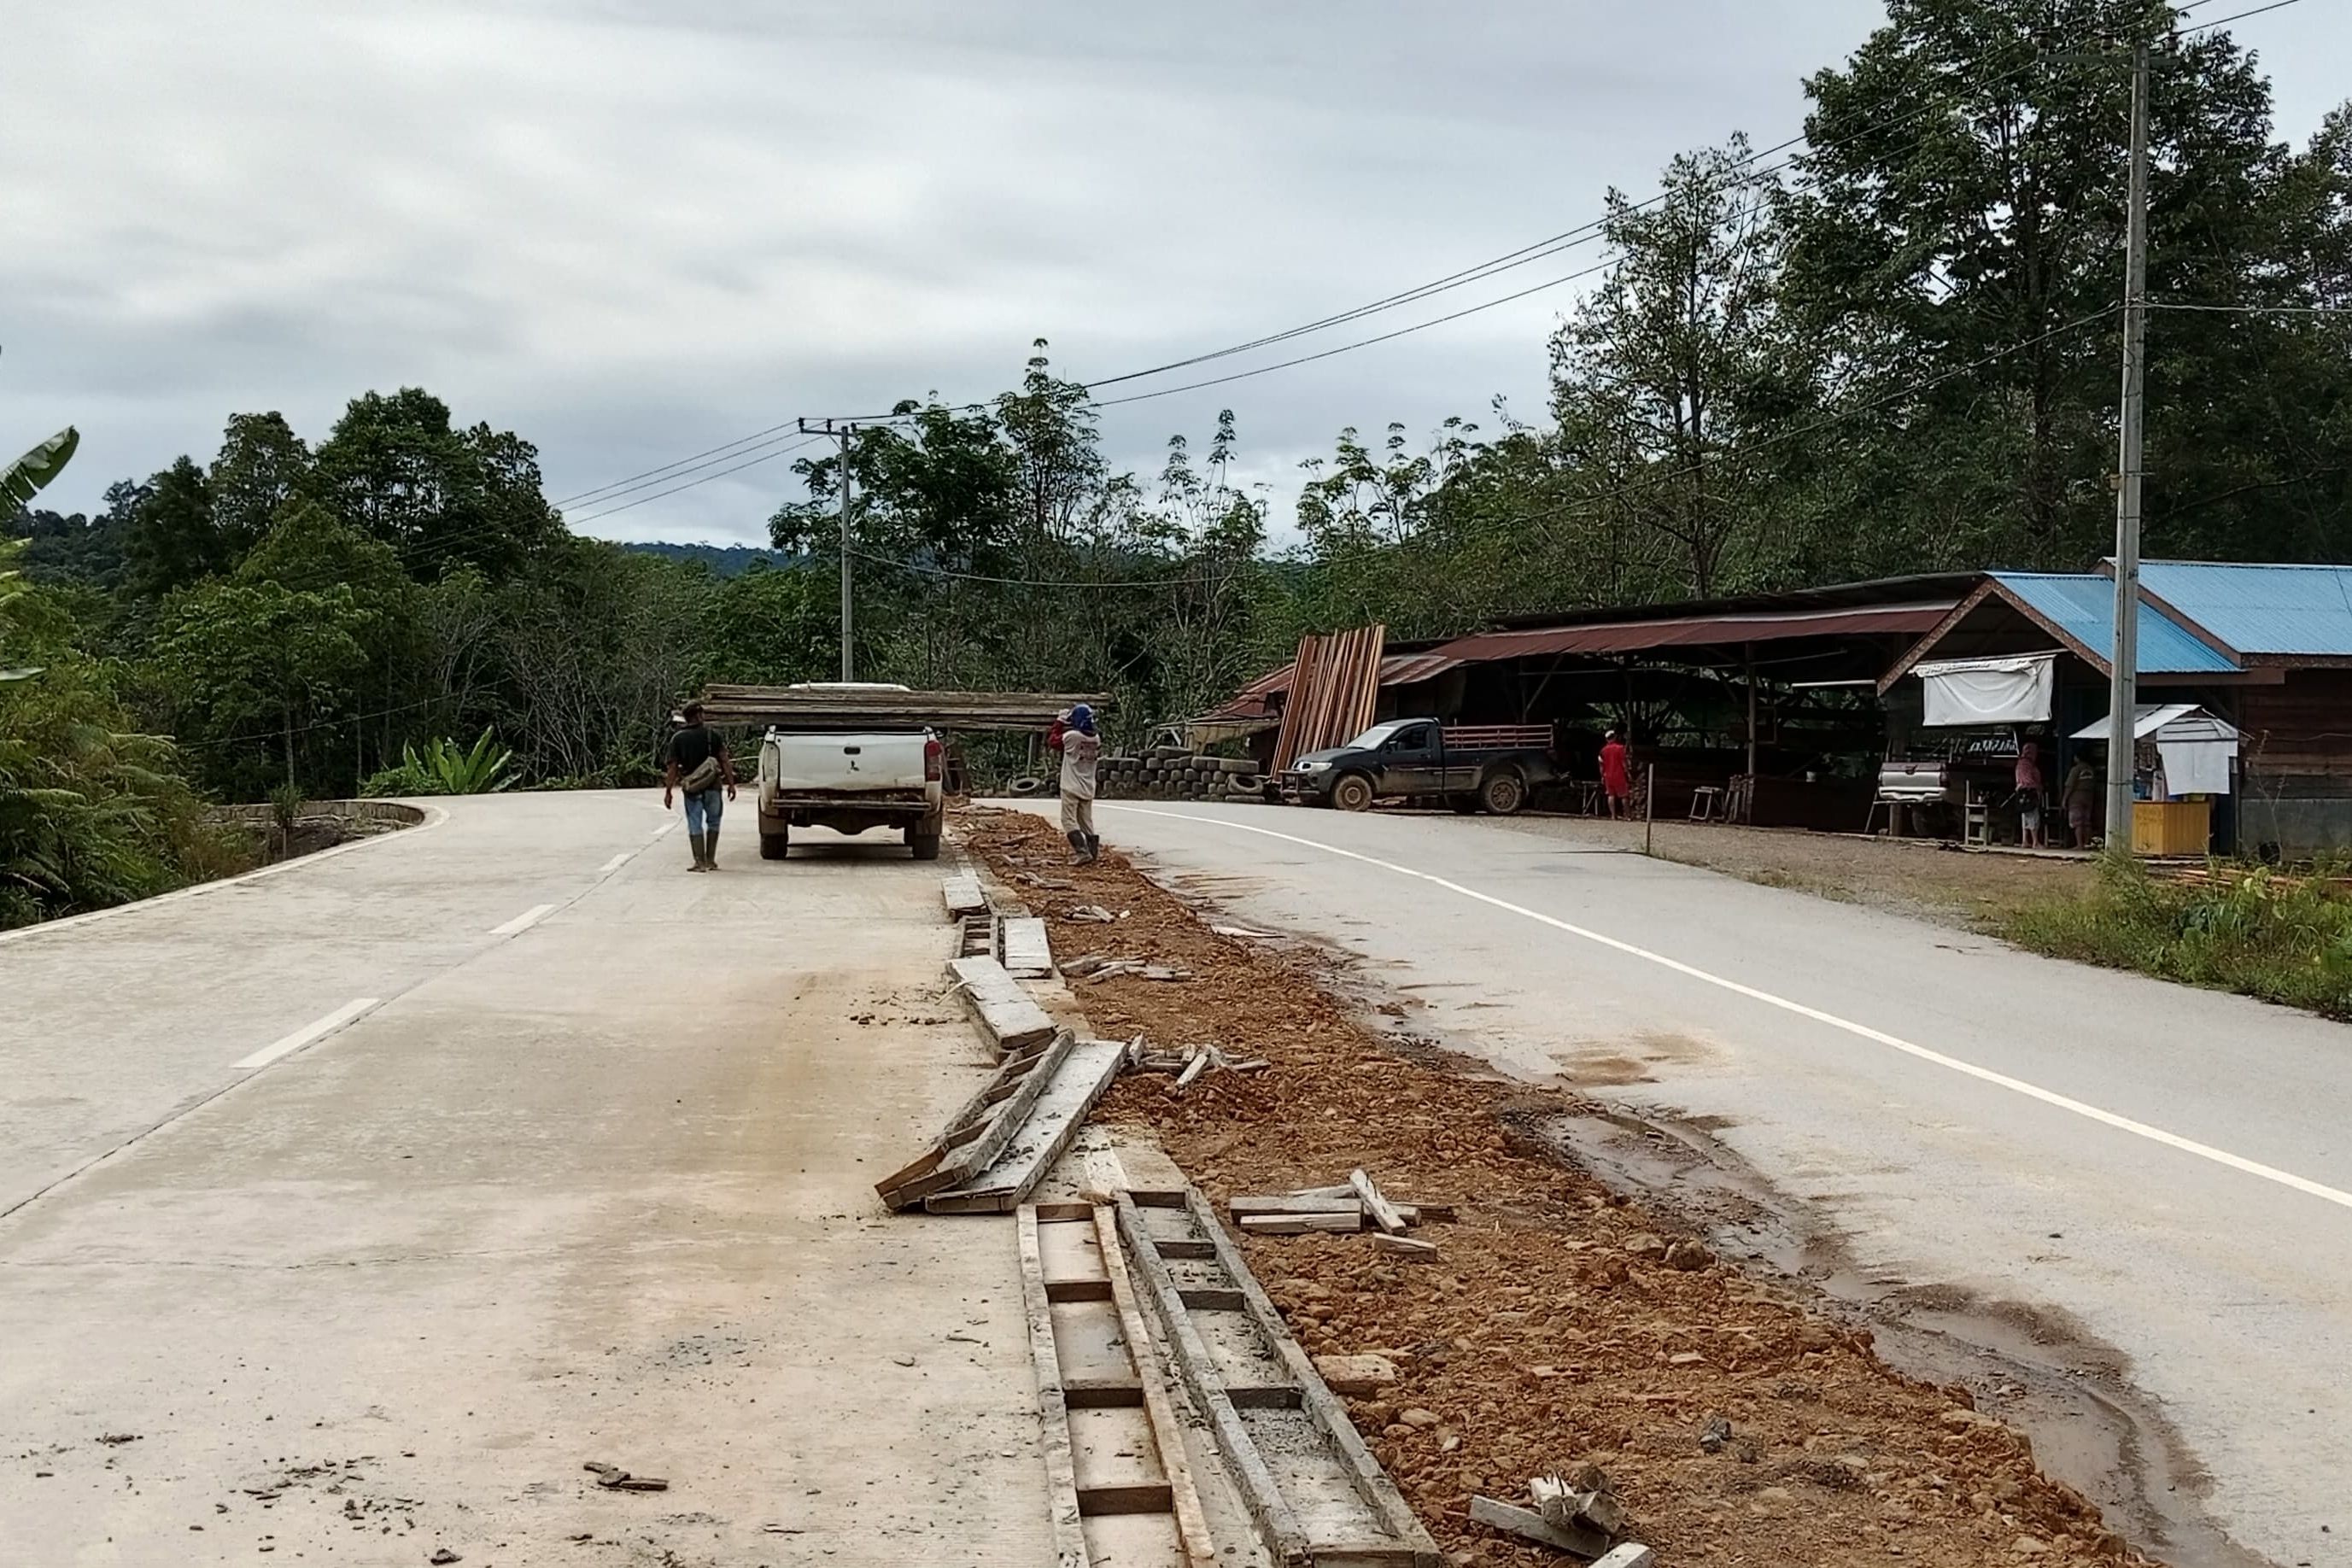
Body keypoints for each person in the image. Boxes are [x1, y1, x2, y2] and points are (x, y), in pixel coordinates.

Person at [662, 701, 736, 872]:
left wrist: (668, 791)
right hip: (713, 786)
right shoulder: (712, 735)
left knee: (695, 823)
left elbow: (672, 768)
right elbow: (724, 760)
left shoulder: (678, 739)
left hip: (692, 787)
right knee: (714, 822)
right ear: (699, 715)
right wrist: (731, 785)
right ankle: (710, 860)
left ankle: (699, 862)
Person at [1049, 703, 1103, 863]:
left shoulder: (1073, 737)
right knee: (1086, 821)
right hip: (1087, 786)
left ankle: (1082, 852)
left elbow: (1053, 741)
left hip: (1071, 786)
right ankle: (1092, 853)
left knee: (1068, 820)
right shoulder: (1096, 738)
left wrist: (1059, 721)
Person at [2062, 752, 2100, 850]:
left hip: (2076, 797)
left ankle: (2080, 844)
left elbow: (2069, 785)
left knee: (2077, 822)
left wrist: (2064, 799)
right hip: (2089, 797)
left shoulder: (2076, 769)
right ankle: (2087, 843)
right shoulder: (2091, 770)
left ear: (2077, 758)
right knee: (2087, 821)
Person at [2014, 738, 2046, 849]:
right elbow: (2030, 780)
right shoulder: (2028, 764)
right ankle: (2035, 842)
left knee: (2025, 817)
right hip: (2030, 792)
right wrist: (2038, 788)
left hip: (2021, 792)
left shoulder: (2020, 763)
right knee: (2033, 817)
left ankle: (2025, 840)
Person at [1598, 728, 1631, 819]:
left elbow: (1601, 765)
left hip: (1607, 775)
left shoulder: (1603, 751)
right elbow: (1624, 762)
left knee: (1611, 795)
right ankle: (1628, 816)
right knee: (1624, 795)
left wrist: (1602, 776)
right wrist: (1628, 773)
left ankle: (1613, 815)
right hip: (1619, 774)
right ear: (1615, 737)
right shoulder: (1620, 748)